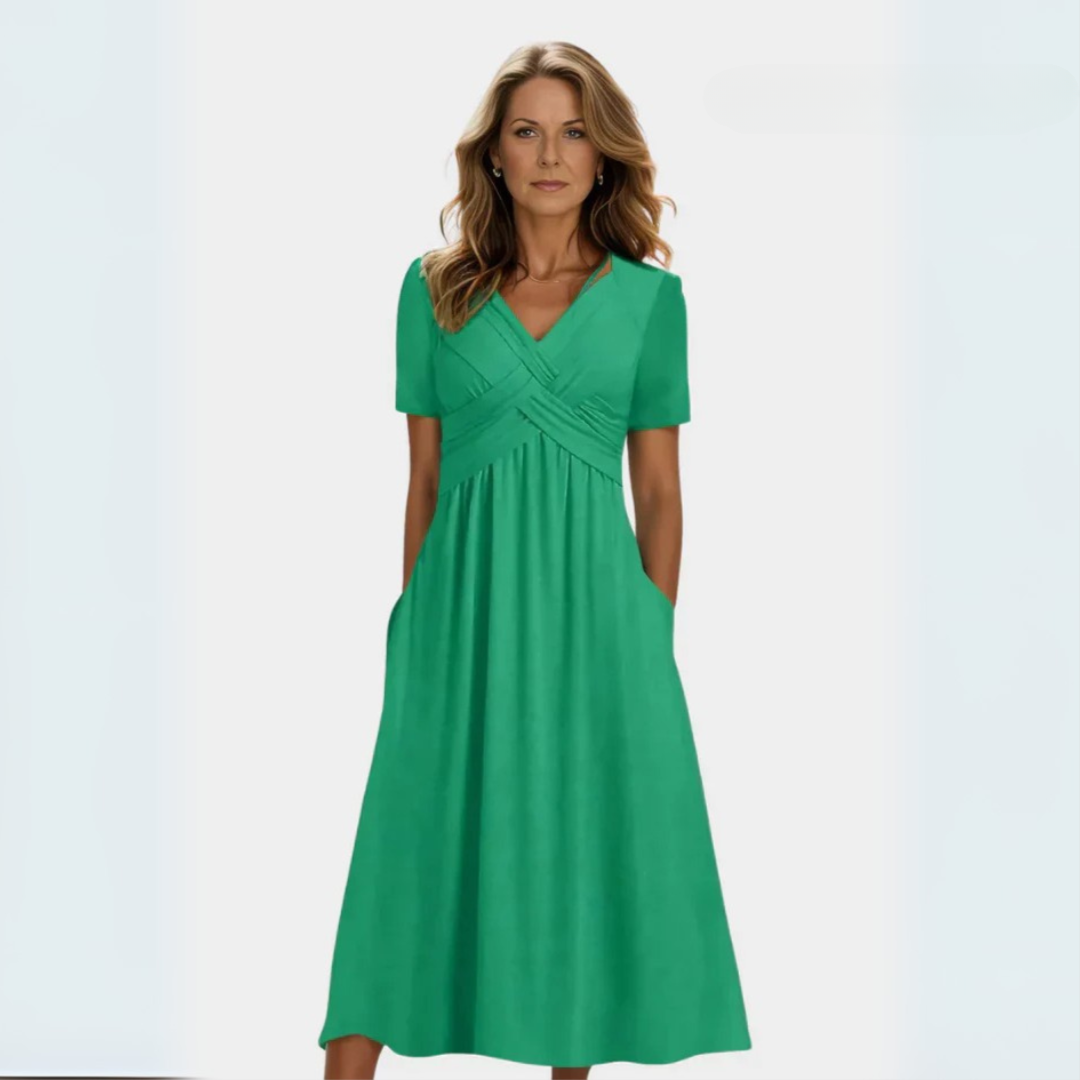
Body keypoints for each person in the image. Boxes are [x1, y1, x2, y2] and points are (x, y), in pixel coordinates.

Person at [318, 41, 752, 1080]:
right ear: (495, 155)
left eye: (573, 132)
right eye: (527, 131)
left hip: (602, 624)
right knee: (405, 862)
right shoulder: (432, 292)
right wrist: (415, 619)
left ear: (602, 157)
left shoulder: (650, 304)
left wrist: (649, 630)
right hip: (456, 618)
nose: (551, 154)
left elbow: (660, 492)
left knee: (582, 848)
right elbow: (424, 479)